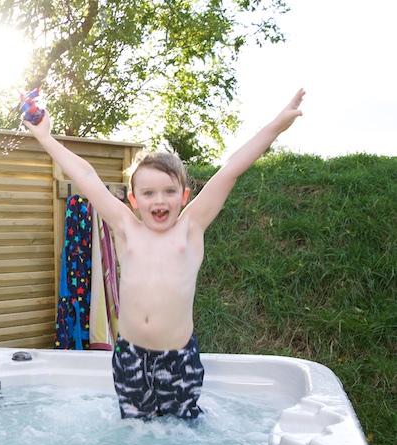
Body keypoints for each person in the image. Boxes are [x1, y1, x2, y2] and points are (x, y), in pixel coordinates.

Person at [25, 89, 305, 419]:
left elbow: (230, 170)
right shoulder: (125, 229)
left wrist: (276, 126)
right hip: (130, 357)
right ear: (133, 199)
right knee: (136, 435)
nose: (160, 200)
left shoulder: (190, 228)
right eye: (149, 193)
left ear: (184, 195)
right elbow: (86, 176)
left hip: (178, 358)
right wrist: (46, 137)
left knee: (180, 437)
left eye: (169, 191)